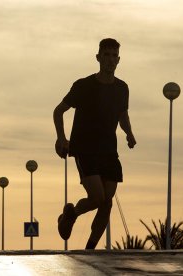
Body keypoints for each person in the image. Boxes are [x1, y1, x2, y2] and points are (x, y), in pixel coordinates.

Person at [53, 38, 136, 249]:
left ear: (119, 60)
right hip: (85, 149)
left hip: (109, 150)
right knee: (97, 198)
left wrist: (129, 134)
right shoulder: (83, 86)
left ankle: (90, 249)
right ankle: (71, 213)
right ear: (98, 58)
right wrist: (61, 138)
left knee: (107, 203)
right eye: (106, 55)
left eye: (114, 56)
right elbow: (59, 111)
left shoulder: (122, 88)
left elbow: (122, 116)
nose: (110, 60)